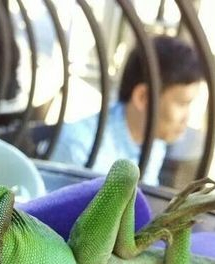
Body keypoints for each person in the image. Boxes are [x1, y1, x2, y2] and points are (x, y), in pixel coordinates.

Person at [50, 35, 204, 186]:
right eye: (182, 103)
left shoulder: (155, 143)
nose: (187, 117)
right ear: (143, 97)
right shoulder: (81, 147)